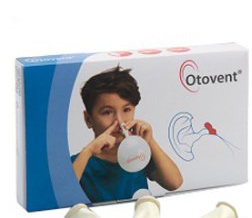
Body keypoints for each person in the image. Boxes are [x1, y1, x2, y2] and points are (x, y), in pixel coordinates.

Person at [71, 66, 183, 203]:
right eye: (107, 112)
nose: (119, 121)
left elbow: (174, 183)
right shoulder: (80, 162)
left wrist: (150, 141)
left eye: (126, 110)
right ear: (88, 119)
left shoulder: (139, 154)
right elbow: (61, 193)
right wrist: (88, 151)